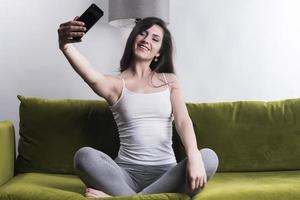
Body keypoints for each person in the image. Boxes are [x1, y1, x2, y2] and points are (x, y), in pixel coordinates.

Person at [57, 16, 219, 198]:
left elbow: (183, 121)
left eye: (155, 39)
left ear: (159, 52)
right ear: (133, 39)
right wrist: (66, 46)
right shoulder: (116, 84)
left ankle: (123, 197)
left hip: (167, 175)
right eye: (142, 33)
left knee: (209, 157)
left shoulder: (169, 80)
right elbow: (91, 75)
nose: (146, 40)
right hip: (125, 175)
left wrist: (194, 156)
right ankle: (141, 196)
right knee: (83, 156)